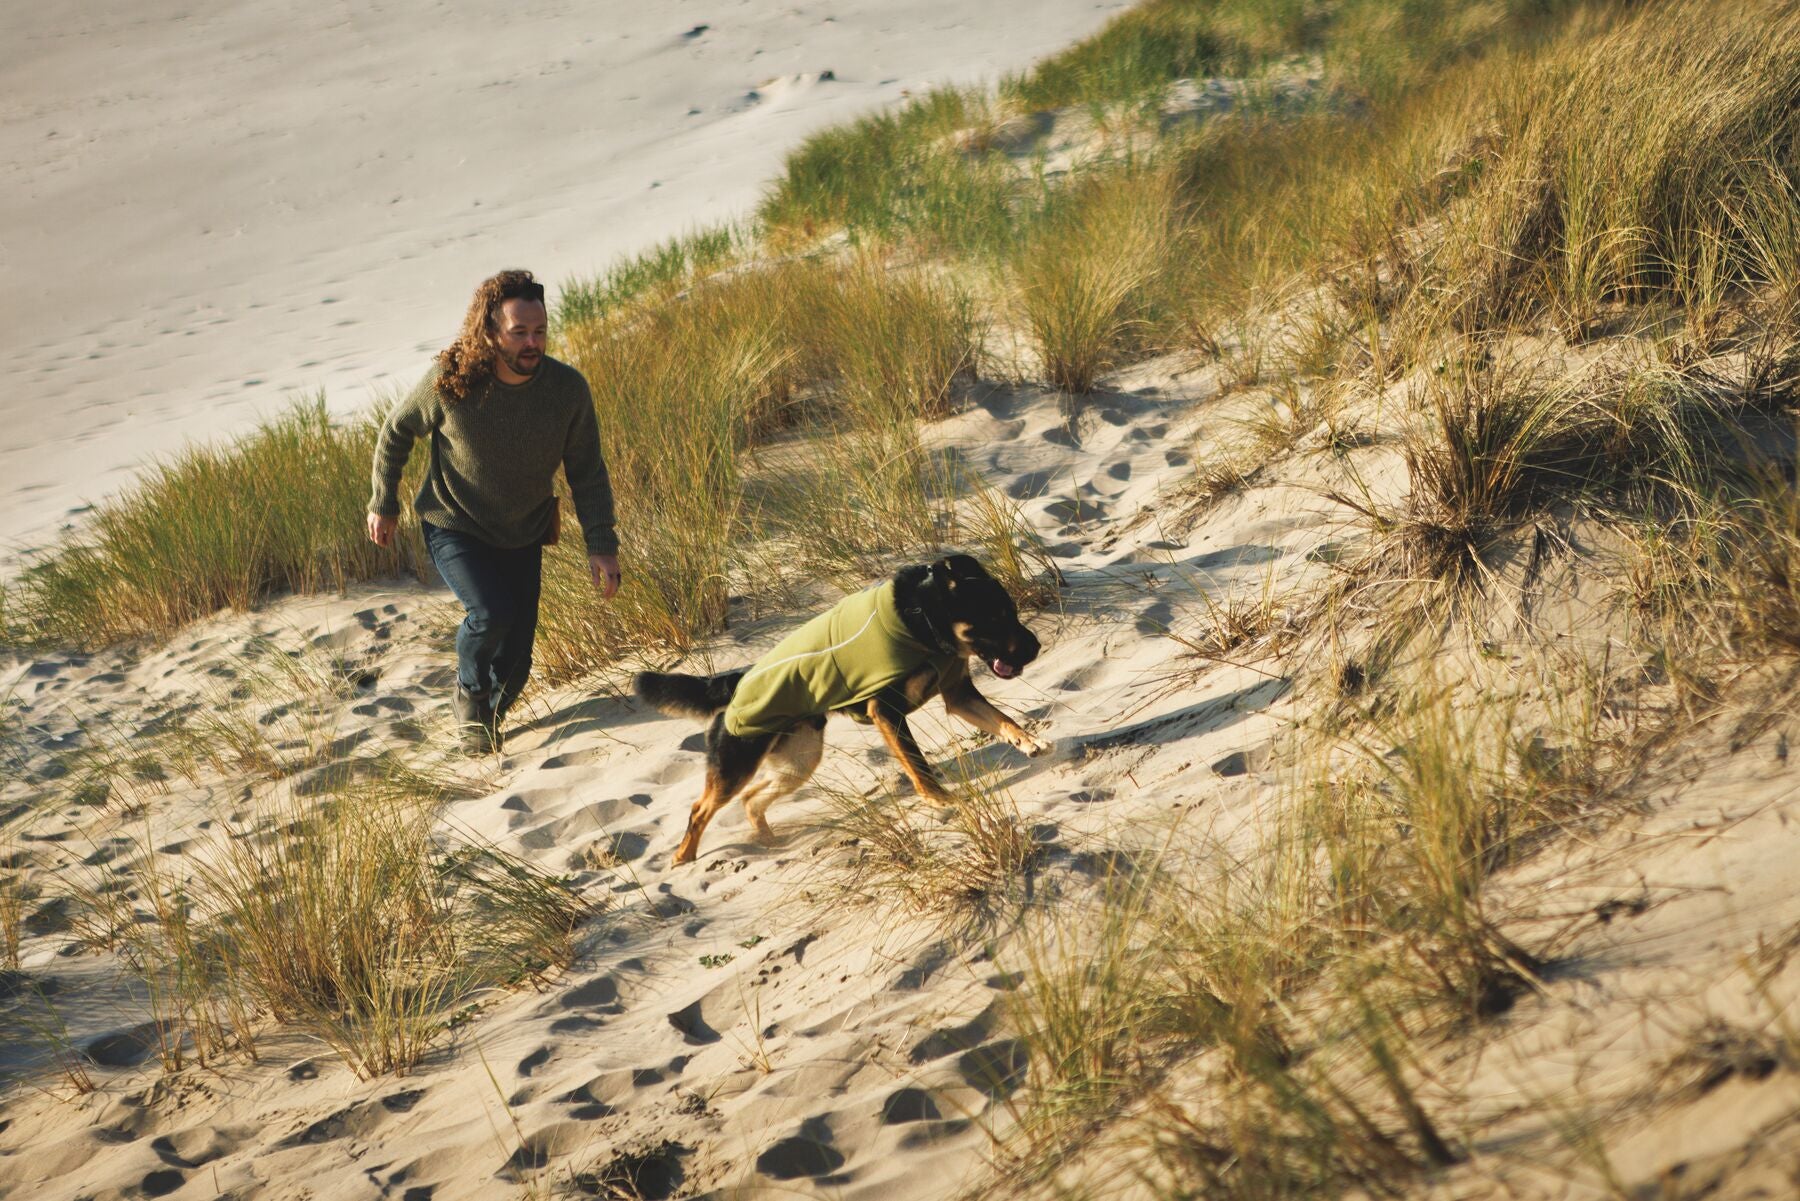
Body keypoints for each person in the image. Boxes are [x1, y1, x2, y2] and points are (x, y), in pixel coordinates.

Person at [366, 269, 621, 753]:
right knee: (490, 612)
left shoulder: (566, 390)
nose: (533, 343)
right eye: (519, 332)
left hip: (523, 530)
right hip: (454, 521)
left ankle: (486, 717)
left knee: (519, 662)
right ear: (489, 332)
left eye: (540, 331)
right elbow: (396, 430)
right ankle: (470, 692)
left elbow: (587, 471)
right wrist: (384, 501)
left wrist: (602, 545)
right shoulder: (451, 382)